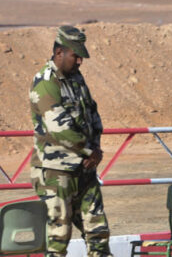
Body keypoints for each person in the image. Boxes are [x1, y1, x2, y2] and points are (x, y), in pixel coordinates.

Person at [29, 25, 112, 257]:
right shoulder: (45, 83)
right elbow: (60, 128)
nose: (79, 62)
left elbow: (92, 114)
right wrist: (89, 151)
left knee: (98, 233)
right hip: (57, 173)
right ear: (59, 53)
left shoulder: (76, 79)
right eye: (75, 56)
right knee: (59, 237)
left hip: (84, 169)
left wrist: (95, 148)